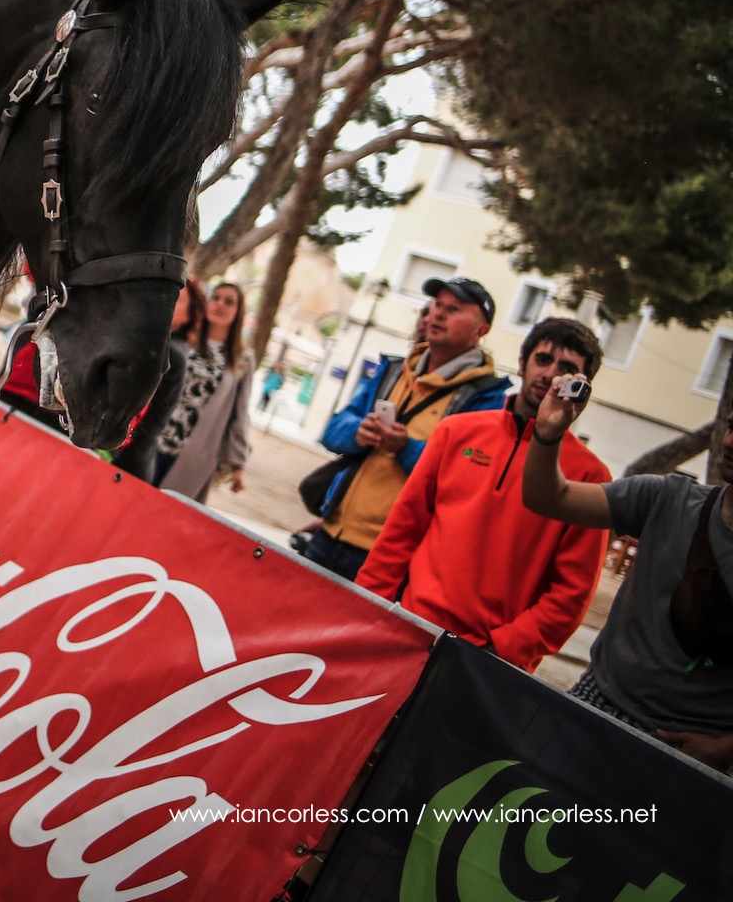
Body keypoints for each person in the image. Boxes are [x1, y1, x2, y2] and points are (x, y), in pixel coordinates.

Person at [358, 318, 611, 671]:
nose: (550, 375)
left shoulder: (591, 477)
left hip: (490, 663)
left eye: (566, 369)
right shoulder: (456, 432)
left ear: (582, 386)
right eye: (542, 360)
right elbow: (403, 529)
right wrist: (367, 604)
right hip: (411, 627)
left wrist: (503, 649)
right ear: (522, 363)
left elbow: (572, 593)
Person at [525, 398, 733, 772]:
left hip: (687, 760)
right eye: (731, 427)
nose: (728, 442)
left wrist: (724, 750)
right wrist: (546, 435)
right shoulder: (669, 498)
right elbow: (549, 497)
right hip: (592, 709)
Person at [298, 277, 513, 581]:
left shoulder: (486, 398)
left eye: (454, 309)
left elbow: (466, 477)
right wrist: (358, 432)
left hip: (391, 557)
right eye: (437, 305)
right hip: (331, 532)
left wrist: (405, 448)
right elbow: (333, 429)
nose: (438, 314)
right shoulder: (395, 370)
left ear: (482, 330)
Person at [157, 281, 254, 503]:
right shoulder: (182, 339)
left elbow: (240, 414)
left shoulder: (242, 359)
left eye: (229, 302)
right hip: (151, 439)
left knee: (164, 513)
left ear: (238, 312)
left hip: (191, 454)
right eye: (215, 298)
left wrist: (239, 464)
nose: (219, 304)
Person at [111, 277, 209, 479]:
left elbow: (153, 422)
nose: (166, 301)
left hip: (123, 465)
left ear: (189, 315)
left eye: (176, 299)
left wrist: (113, 459)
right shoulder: (158, 342)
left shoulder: (171, 352)